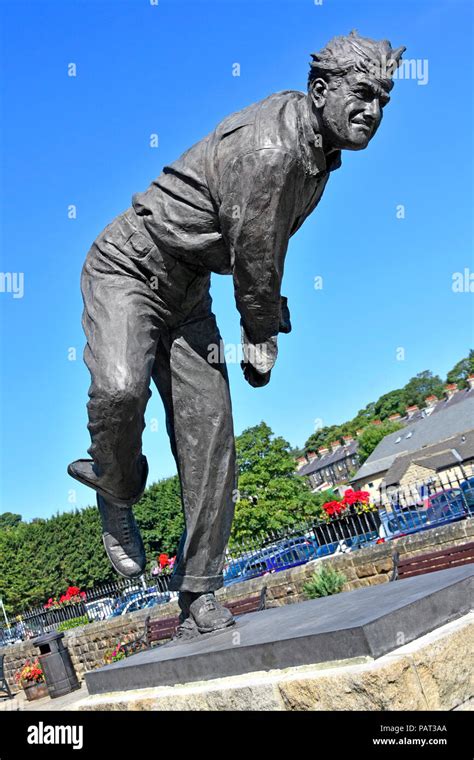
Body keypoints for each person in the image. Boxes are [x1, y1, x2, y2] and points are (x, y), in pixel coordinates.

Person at [68, 31, 405, 636]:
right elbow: (254, 255)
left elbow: (263, 244)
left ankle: (199, 592)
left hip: (190, 293)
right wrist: (261, 332)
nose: (373, 112)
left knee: (211, 438)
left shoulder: (318, 156)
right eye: (362, 94)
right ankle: (116, 488)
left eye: (383, 99)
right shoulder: (272, 148)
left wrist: (266, 310)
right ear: (321, 90)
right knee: (120, 391)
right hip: (129, 267)